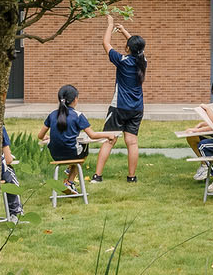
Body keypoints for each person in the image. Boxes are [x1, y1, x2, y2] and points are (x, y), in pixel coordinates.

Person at [93, 13, 146, 183]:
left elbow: (106, 43)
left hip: (119, 107)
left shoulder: (123, 60)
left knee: (109, 140)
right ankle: (132, 177)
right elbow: (137, 47)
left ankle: (98, 176)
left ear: (128, 48)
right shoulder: (142, 60)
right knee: (132, 142)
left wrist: (110, 24)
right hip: (137, 108)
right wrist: (124, 31)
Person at [43, 84, 103, 196]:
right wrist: (108, 136)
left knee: (74, 150)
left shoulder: (52, 114)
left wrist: (45, 137)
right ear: (75, 99)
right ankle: (70, 181)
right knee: (83, 149)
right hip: (71, 153)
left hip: (55, 154)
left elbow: (40, 135)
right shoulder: (78, 115)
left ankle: (69, 170)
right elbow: (92, 135)